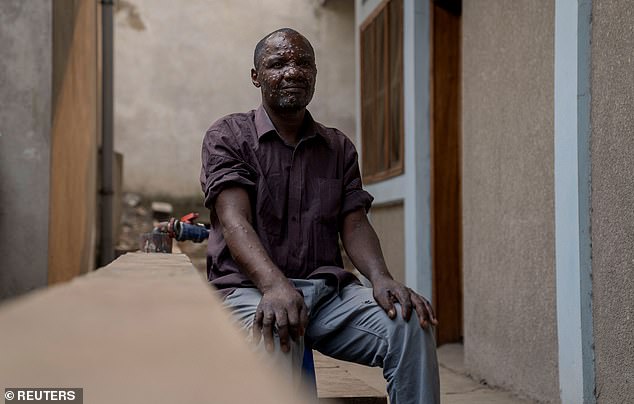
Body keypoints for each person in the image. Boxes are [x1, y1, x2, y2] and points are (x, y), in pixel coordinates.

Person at [200, 28, 440, 404]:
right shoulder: (229, 136)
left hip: (327, 297)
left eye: (303, 63)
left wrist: (380, 278)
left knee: (408, 323)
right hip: (251, 290)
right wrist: (274, 286)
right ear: (255, 76)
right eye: (277, 64)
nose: (292, 72)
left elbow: (355, 221)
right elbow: (234, 220)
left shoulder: (338, 147)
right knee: (276, 328)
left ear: (314, 72)